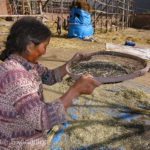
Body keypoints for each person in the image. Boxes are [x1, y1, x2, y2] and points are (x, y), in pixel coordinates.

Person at [0, 17, 100, 150]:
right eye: (44, 47)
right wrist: (75, 91)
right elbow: (41, 119)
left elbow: (49, 76)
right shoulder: (14, 75)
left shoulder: (28, 64)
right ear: (29, 46)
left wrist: (71, 63)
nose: (45, 52)